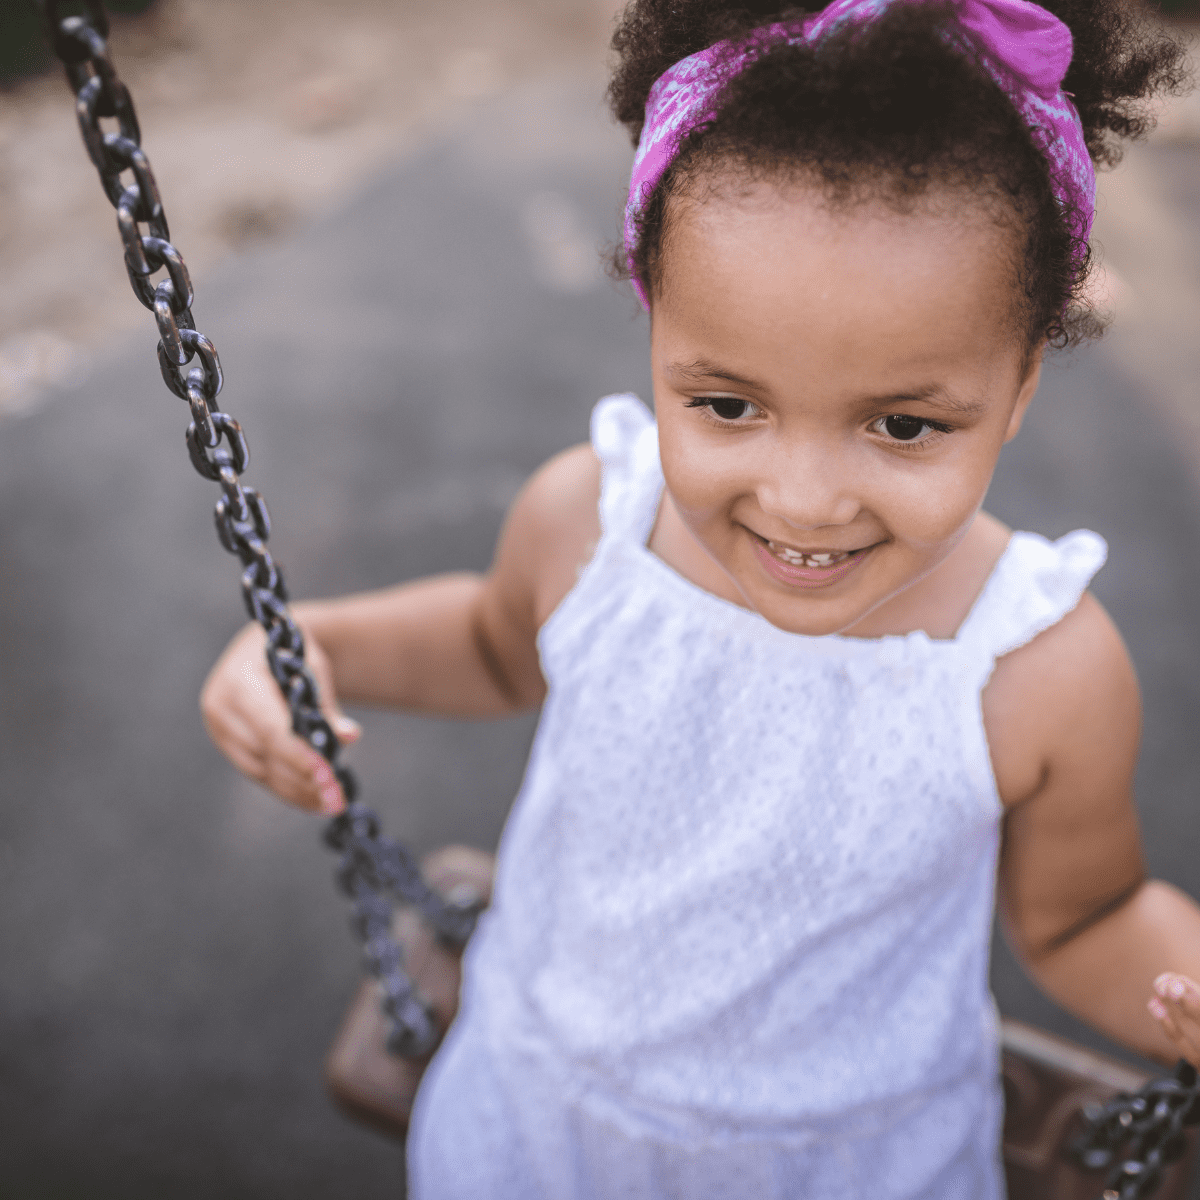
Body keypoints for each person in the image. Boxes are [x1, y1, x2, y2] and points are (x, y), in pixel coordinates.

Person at [201, 0, 1199, 1194]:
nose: (806, 498)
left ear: (1023, 379)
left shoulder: (1037, 670)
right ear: (655, 319)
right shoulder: (591, 524)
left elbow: (1085, 921)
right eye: (728, 404)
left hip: (846, 1164)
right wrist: (306, 646)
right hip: (536, 1116)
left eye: (903, 425)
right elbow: (490, 644)